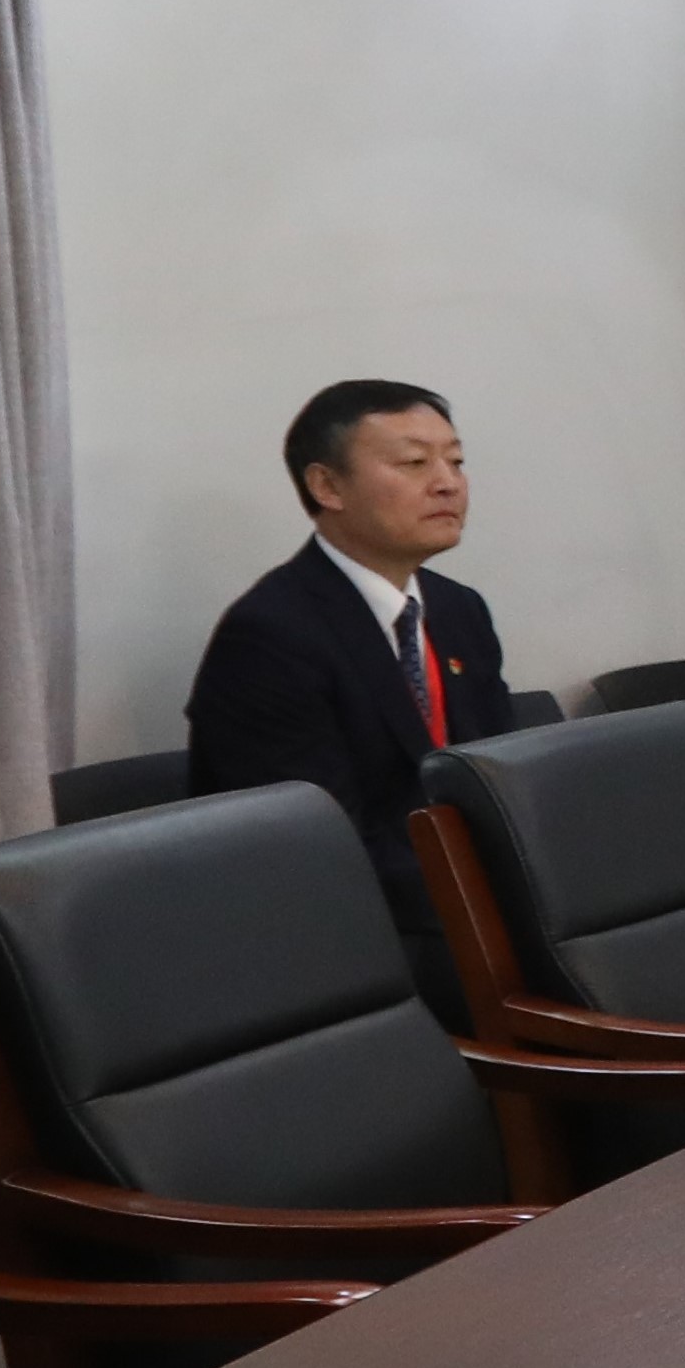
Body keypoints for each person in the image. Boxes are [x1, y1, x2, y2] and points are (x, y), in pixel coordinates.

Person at [186, 380, 511, 1023]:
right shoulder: (272, 635)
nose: (447, 483)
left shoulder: (457, 610)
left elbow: (501, 776)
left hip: (461, 913)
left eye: (456, 461)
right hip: (353, 943)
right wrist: (492, 903)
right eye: (415, 463)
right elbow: (316, 851)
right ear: (327, 487)